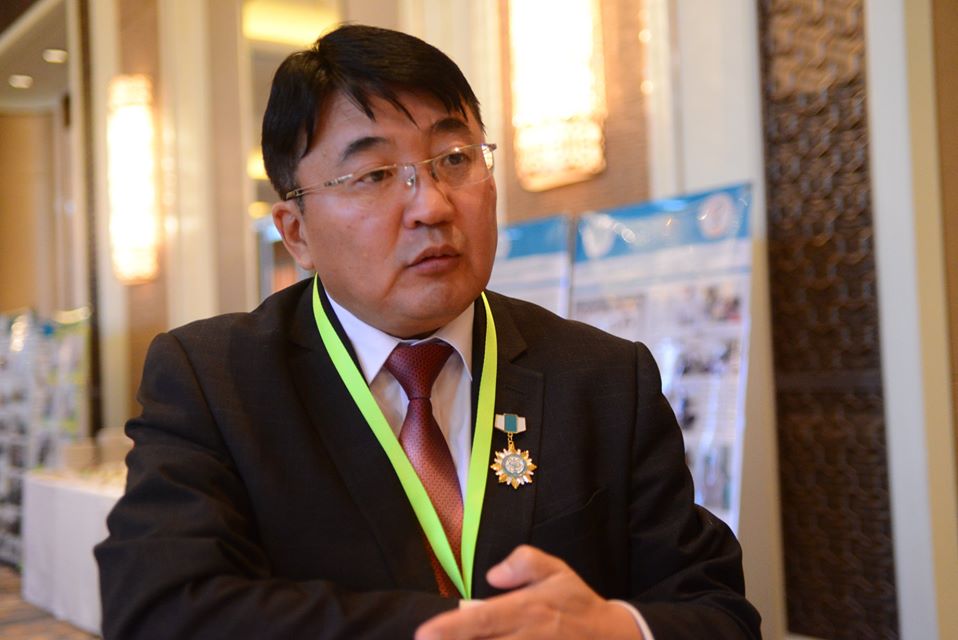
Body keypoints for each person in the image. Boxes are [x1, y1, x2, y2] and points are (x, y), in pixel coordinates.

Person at [95, 24, 761, 640]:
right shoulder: (214, 380)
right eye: (375, 175)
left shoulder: (604, 376)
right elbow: (161, 608)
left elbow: (717, 612)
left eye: (455, 158)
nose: (432, 205)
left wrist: (616, 629)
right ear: (297, 234)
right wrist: (476, 630)